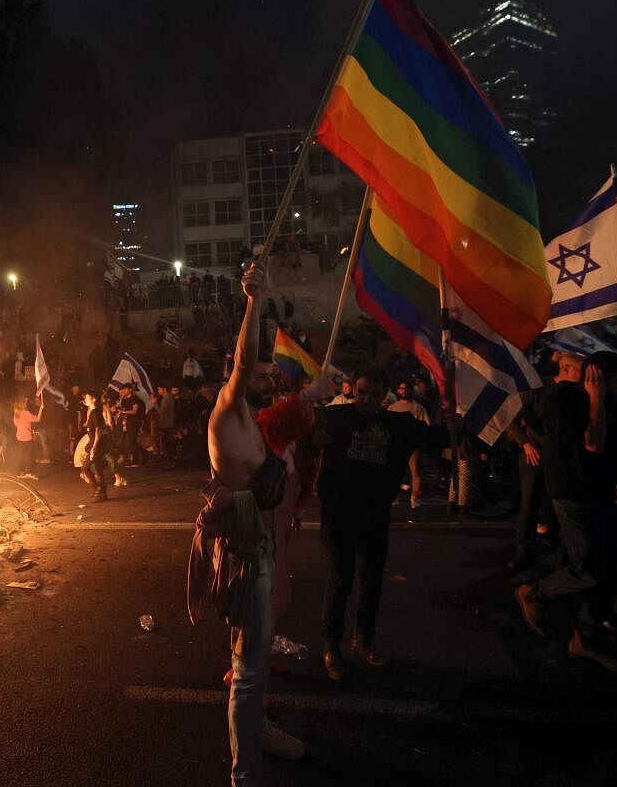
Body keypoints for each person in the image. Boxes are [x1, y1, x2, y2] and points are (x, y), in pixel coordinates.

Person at [188, 260, 305, 786]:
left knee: (254, 660)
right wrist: (255, 301)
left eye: (266, 376)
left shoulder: (255, 423)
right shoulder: (226, 413)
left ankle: (257, 735)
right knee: (249, 671)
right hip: (244, 556)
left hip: (259, 548)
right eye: (255, 374)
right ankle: (246, 775)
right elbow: (244, 359)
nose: (264, 376)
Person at [310, 368, 451, 683]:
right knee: (339, 581)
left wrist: (450, 420)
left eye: (373, 394)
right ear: (353, 390)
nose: (366, 399)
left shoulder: (398, 424)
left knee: (371, 582)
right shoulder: (334, 417)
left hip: (374, 515)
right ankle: (331, 645)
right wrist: (312, 437)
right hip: (339, 515)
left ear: (385, 396)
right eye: (361, 392)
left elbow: (437, 438)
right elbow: (300, 441)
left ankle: (365, 640)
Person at [514, 351, 617, 671]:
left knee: (613, 566)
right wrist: (596, 401)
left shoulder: (609, 401)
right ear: (596, 378)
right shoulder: (563, 400)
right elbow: (593, 443)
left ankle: (586, 636)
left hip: (600, 493)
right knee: (589, 569)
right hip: (574, 495)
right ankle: (535, 594)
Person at [503, 352, 581, 571]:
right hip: (534, 456)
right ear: (565, 369)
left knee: (561, 507)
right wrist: (525, 443)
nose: (583, 377)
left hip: (562, 459)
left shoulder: (578, 393)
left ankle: (562, 555)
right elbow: (509, 419)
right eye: (579, 371)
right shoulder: (538, 389)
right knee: (529, 504)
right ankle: (524, 553)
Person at [387, 380, 431, 509]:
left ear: (411, 390)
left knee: (415, 471)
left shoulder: (418, 408)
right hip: (395, 445)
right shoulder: (393, 408)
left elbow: (426, 427)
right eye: (401, 388)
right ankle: (393, 497)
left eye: (406, 388)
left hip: (412, 446)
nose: (403, 391)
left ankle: (415, 498)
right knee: (393, 472)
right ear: (397, 390)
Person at [81, 392, 112, 501]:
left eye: (88, 397)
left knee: (87, 468)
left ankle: (100, 491)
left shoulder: (95, 412)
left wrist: (94, 447)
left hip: (97, 445)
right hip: (96, 444)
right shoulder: (94, 412)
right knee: (95, 468)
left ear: (94, 399)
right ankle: (100, 492)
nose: (85, 399)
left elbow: (98, 430)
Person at [115, 384, 144, 466]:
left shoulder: (134, 399)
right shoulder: (124, 400)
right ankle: (128, 458)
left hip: (132, 423)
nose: (124, 391)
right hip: (124, 423)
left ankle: (134, 461)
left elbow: (134, 411)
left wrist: (123, 412)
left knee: (132, 441)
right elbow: (118, 408)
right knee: (124, 441)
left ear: (130, 390)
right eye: (123, 389)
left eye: (126, 389)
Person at [12, 396, 41, 480]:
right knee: (31, 455)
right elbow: (37, 419)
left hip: (19, 437)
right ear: (22, 404)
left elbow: (16, 425)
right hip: (27, 437)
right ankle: (30, 473)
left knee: (22, 455)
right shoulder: (25, 413)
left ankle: (20, 472)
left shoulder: (16, 414)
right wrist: (41, 409)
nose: (26, 404)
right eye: (25, 402)